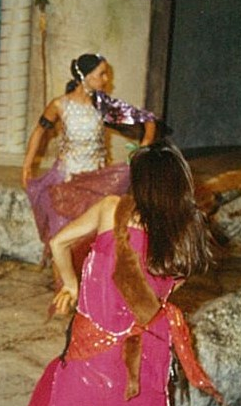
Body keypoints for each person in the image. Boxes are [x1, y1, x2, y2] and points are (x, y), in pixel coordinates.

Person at [15, 141, 221, 406]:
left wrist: (72, 284)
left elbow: (59, 242)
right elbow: (165, 295)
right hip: (144, 355)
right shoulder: (185, 234)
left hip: (91, 350)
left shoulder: (112, 210)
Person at [21, 54, 157, 261]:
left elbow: (148, 120)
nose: (106, 79)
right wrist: (27, 166)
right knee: (62, 239)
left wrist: (144, 147)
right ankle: (63, 278)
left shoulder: (103, 106)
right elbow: (39, 130)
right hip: (66, 182)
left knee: (92, 240)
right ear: (85, 76)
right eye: (101, 74)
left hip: (97, 183)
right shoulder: (59, 105)